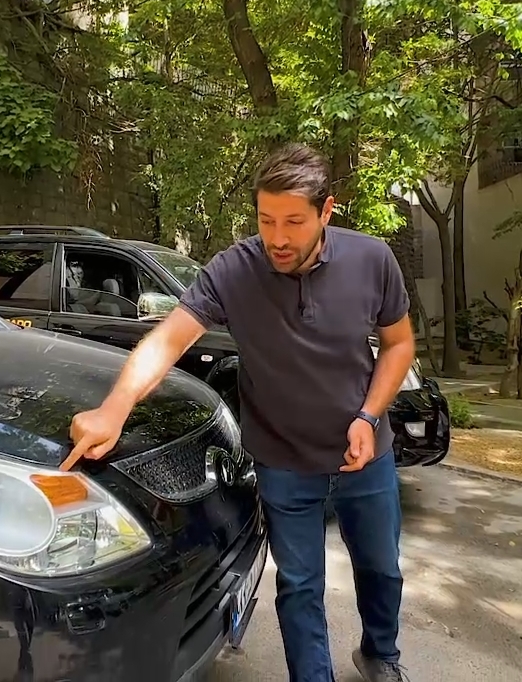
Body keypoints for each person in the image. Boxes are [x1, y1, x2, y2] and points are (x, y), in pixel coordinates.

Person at [61, 142, 415, 682]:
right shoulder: (234, 270)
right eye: (266, 220)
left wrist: (368, 415)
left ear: (326, 211)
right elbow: (168, 341)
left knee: (381, 568)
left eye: (293, 222)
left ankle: (379, 654)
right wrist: (114, 408)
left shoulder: (372, 260)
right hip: (283, 460)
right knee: (300, 585)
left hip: (366, 454)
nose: (278, 238)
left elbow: (398, 344)